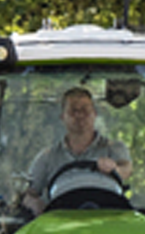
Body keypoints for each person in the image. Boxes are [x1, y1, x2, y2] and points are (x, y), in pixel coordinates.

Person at [20, 86, 132, 214]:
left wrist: (114, 169)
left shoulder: (113, 149)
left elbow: (126, 170)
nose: (79, 115)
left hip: (109, 220)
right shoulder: (47, 157)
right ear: (63, 116)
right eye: (73, 111)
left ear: (94, 114)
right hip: (60, 225)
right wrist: (35, 204)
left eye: (85, 110)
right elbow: (29, 193)